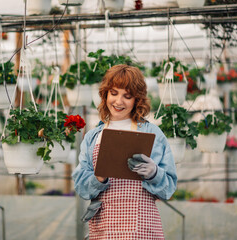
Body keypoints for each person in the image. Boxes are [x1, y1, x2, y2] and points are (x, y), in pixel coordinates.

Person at [72, 64, 177, 239]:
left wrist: (154, 173)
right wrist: (98, 177)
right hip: (104, 227)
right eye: (114, 93)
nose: (119, 101)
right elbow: (81, 187)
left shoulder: (153, 134)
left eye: (127, 96)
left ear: (137, 100)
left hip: (141, 227)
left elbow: (169, 189)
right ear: (105, 94)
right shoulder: (92, 137)